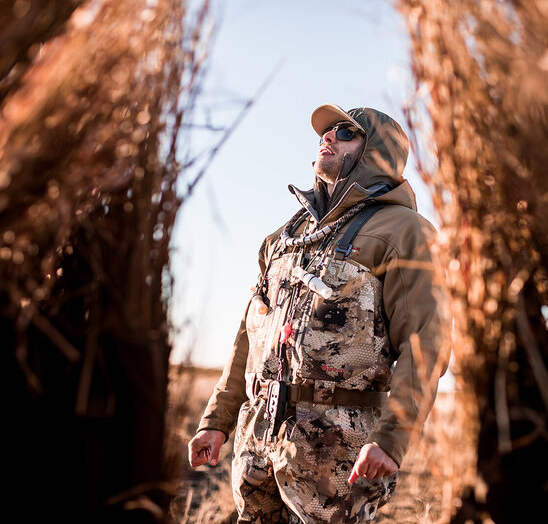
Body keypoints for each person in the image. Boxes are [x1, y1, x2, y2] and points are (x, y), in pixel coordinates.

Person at [188, 104, 443, 523]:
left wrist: (392, 441)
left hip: (338, 456)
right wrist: (216, 421)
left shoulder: (405, 232)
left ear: (377, 151)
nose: (327, 137)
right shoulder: (286, 237)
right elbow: (248, 339)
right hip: (257, 451)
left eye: (345, 132)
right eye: (326, 131)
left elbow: (426, 342)